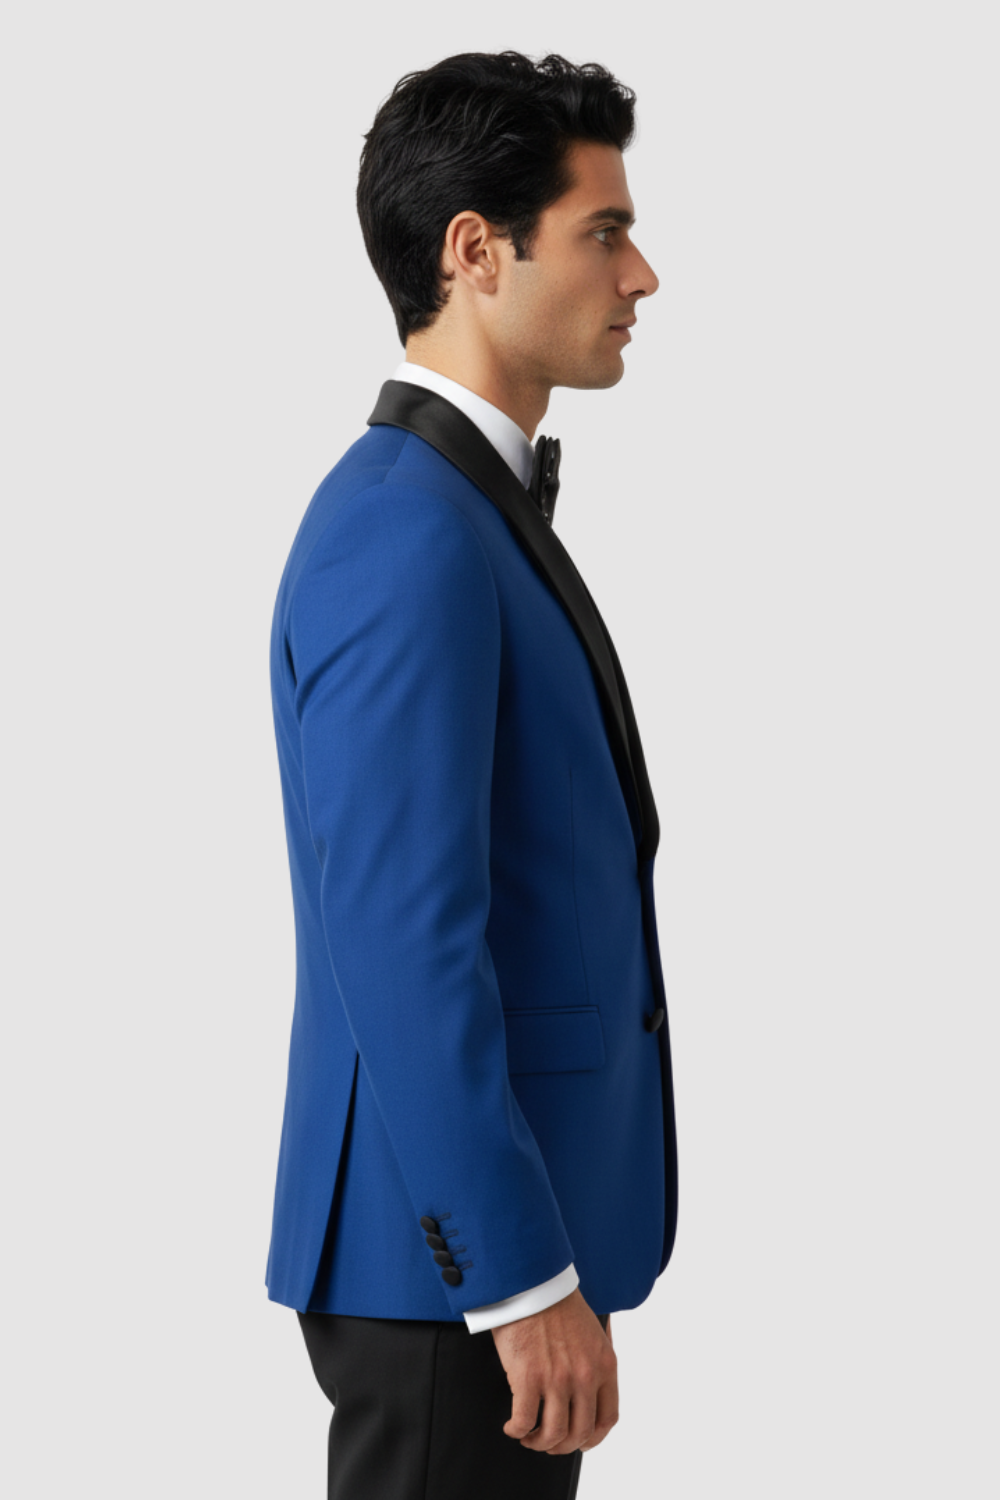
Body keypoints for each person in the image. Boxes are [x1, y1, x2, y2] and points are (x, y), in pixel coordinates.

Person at [265, 49, 679, 1500]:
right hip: (447, 1275)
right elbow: (400, 933)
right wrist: (513, 1277)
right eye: (604, 232)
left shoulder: (455, 513)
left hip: (476, 1253)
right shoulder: (409, 531)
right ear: (475, 252)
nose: (641, 276)